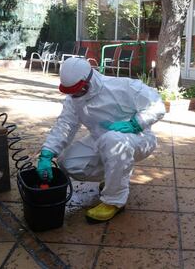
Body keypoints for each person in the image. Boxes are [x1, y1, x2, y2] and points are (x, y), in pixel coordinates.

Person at [36, 57, 165, 222]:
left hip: (139, 138)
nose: (75, 95)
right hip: (100, 139)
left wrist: (135, 124)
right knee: (68, 162)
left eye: (78, 90)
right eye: (70, 92)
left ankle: (114, 200)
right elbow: (65, 125)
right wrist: (47, 153)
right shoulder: (73, 101)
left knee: (113, 140)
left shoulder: (124, 86)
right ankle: (115, 177)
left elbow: (157, 105)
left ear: (89, 80)